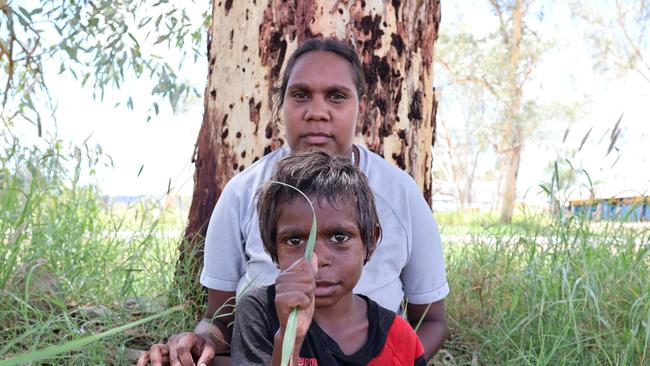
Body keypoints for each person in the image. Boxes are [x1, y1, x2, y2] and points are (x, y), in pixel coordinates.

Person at [138, 37, 448, 366]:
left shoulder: (400, 193)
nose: (316, 112)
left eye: (337, 96)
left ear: (363, 105)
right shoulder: (244, 193)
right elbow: (220, 317)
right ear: (281, 104)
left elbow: (432, 320)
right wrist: (199, 342)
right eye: (300, 95)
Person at [231, 149, 427, 365]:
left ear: (370, 241)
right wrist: (289, 339)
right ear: (273, 247)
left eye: (339, 237)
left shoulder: (399, 338)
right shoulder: (259, 314)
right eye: (295, 240)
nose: (318, 260)